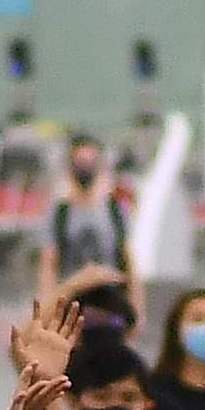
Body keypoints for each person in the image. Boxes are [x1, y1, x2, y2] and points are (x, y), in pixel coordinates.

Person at [38, 134, 139, 324]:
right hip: (72, 302)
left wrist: (135, 307)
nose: (85, 167)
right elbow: (48, 263)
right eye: (80, 161)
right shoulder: (60, 213)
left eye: (90, 161)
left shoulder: (114, 210)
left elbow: (128, 260)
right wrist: (48, 305)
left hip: (110, 302)